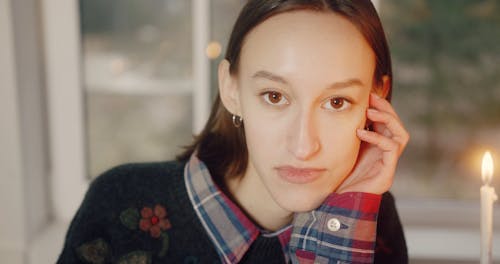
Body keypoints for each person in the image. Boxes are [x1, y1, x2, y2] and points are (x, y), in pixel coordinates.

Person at [57, 0, 409, 263]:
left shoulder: (371, 215)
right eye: (274, 96)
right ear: (231, 90)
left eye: (337, 102)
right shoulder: (120, 204)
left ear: (375, 99)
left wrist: (345, 219)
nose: (304, 146)